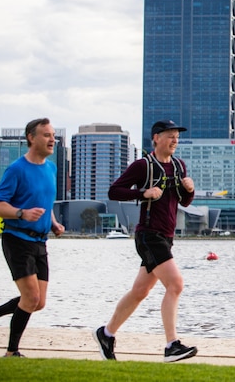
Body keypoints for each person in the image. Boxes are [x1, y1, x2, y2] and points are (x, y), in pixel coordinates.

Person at [94, 119, 197, 363]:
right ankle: (172, 345)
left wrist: (189, 190)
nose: (174, 140)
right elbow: (114, 191)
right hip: (148, 235)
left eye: (177, 136)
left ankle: (106, 334)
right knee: (176, 284)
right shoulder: (143, 166)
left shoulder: (179, 166)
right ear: (156, 138)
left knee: (140, 291)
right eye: (170, 135)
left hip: (167, 237)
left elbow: (184, 203)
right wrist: (143, 193)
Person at [0, 118, 65, 357]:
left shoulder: (51, 168)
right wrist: (21, 213)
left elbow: (46, 202)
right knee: (30, 297)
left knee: (39, 302)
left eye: (53, 135)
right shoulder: (16, 169)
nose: (52, 140)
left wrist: (54, 223)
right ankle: (11, 352)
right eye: (46, 135)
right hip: (17, 238)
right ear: (31, 137)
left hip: (40, 242)